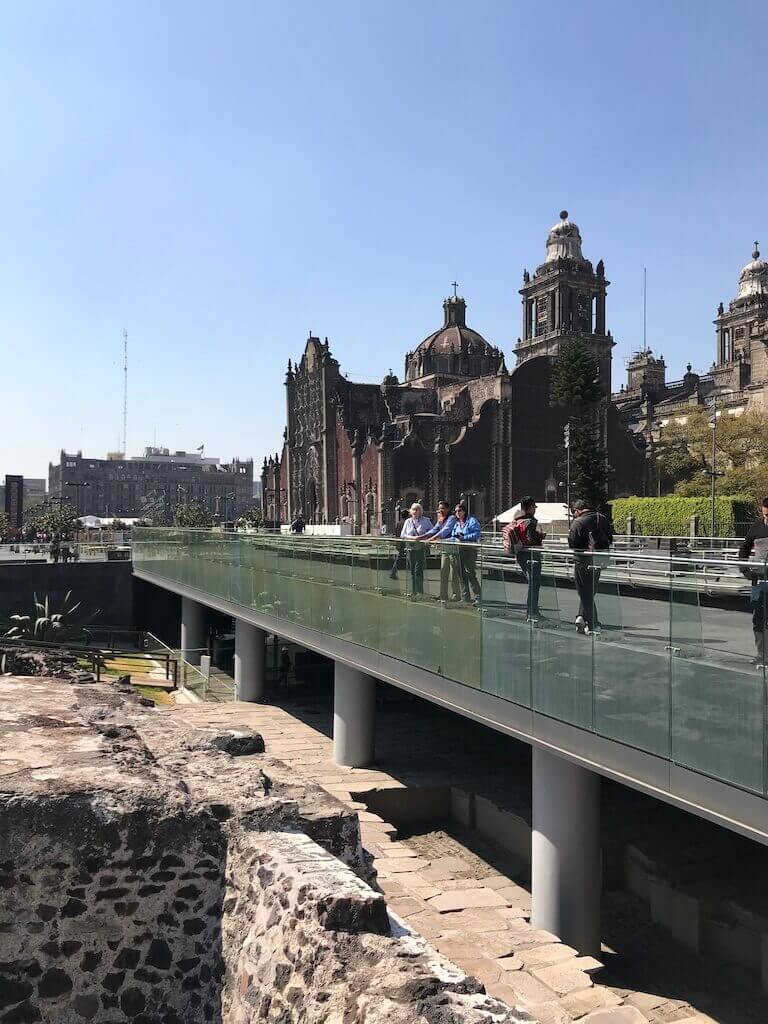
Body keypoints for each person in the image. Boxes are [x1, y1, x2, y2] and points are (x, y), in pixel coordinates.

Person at [567, 499, 613, 634]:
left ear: (578, 510)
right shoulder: (602, 518)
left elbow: (572, 543)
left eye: (573, 512)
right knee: (591, 590)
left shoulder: (578, 522)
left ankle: (593, 624)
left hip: (582, 561)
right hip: (599, 560)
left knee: (584, 592)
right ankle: (581, 616)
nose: (574, 515)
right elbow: (610, 538)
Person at [505, 497, 546, 620]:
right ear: (531, 507)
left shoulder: (517, 520)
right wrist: (540, 536)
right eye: (534, 507)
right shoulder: (530, 522)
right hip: (531, 555)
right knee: (535, 583)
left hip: (520, 554)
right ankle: (532, 612)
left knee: (531, 583)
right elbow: (530, 539)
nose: (535, 510)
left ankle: (531, 611)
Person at [738, 498, 768, 666]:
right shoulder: (756, 527)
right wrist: (746, 571)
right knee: (758, 617)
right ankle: (762, 654)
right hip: (759, 579)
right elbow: (744, 548)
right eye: (765, 514)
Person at [420, 500, 460, 602]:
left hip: (453, 548)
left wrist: (430, 539)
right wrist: (422, 536)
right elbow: (435, 529)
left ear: (447, 509)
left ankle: (456, 596)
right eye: (439, 508)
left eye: (442, 508)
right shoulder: (441, 519)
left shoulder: (452, 518)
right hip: (445, 548)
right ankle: (443, 595)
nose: (440, 510)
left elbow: (444, 531)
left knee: (453, 573)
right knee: (443, 572)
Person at [450, 503, 482, 604]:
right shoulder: (457, 523)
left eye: (459, 511)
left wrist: (464, 537)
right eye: (455, 511)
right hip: (458, 550)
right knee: (461, 574)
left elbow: (477, 534)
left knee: (470, 573)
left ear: (464, 511)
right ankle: (465, 597)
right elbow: (453, 536)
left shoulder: (472, 521)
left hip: (470, 550)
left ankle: (478, 597)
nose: (457, 513)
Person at [400, 502, 433, 595]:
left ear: (421, 511)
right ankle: (413, 591)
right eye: (413, 509)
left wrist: (424, 537)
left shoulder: (426, 521)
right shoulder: (408, 521)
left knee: (418, 570)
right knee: (412, 571)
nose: (415, 511)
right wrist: (412, 538)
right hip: (410, 548)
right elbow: (402, 534)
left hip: (420, 549)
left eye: (417, 509)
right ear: (411, 511)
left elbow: (433, 531)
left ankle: (420, 591)